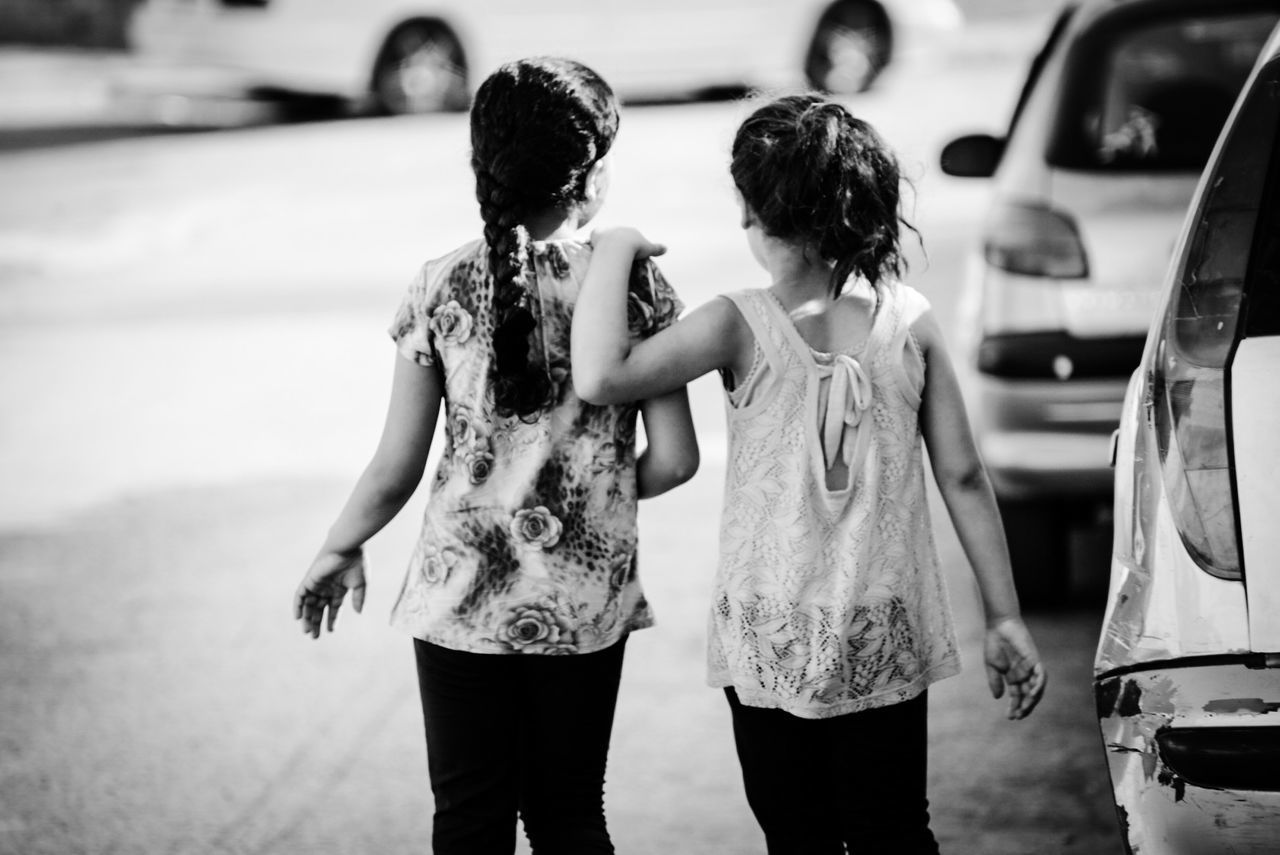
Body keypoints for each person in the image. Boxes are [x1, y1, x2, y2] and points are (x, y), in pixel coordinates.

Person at [571, 93, 1047, 854]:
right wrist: (1004, 615)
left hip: (770, 631)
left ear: (761, 216)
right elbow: (962, 476)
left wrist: (618, 248)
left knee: (797, 836)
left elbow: (600, 375)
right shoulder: (910, 319)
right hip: (880, 626)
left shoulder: (736, 322)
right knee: (895, 830)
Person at [292, 56, 698, 855]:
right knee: (571, 812)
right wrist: (596, 498)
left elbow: (395, 466)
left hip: (460, 597)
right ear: (590, 179)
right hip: (585, 600)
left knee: (469, 818)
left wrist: (341, 544)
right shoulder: (638, 289)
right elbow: (677, 458)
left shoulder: (440, 285)